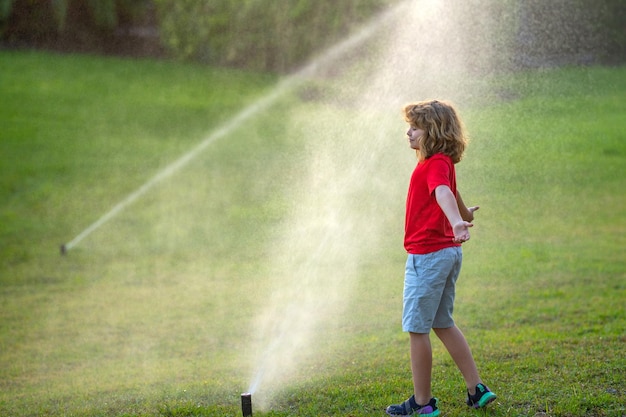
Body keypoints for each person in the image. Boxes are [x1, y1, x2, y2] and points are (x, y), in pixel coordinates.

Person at [386, 100, 497, 416]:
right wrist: (463, 215)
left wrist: (455, 220)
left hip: (429, 256)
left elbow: (442, 193)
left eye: (414, 127)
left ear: (431, 131)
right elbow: (451, 192)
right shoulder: (443, 163)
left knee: (417, 329)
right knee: (443, 323)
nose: (408, 133)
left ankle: (422, 404)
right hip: (448, 253)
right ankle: (477, 389)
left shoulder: (434, 163)